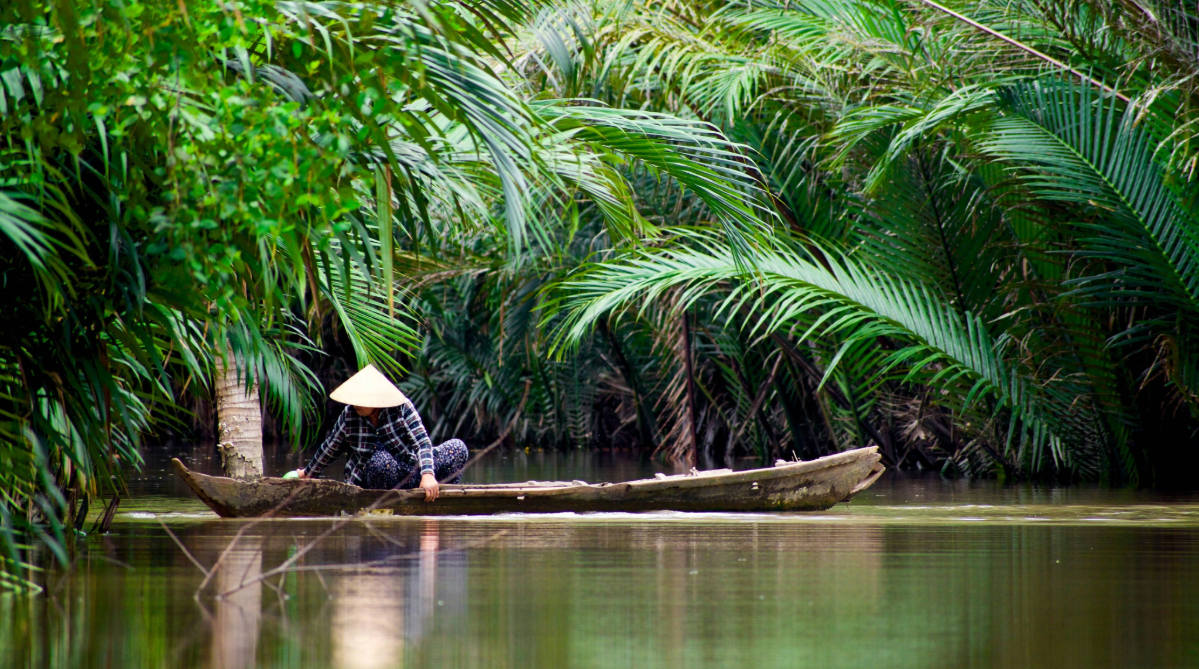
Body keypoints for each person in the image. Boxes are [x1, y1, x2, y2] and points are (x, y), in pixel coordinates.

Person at [290, 365, 468, 501]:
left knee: (458, 448)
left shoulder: (401, 408)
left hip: (408, 471)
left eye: (361, 400)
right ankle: (383, 506)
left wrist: (427, 474)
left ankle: (435, 496)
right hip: (374, 478)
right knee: (381, 462)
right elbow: (330, 448)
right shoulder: (350, 415)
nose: (356, 404)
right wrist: (308, 473)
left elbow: (422, 442)